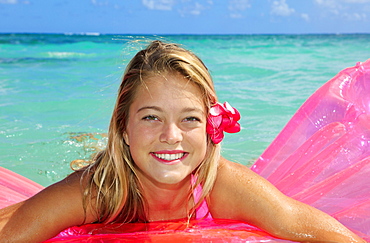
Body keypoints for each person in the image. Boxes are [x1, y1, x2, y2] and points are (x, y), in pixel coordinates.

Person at [0, 40, 365, 242]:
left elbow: (315, 229)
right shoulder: (96, 192)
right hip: (118, 172)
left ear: (210, 126)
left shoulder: (223, 186)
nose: (171, 135)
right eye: (150, 117)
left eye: (189, 119)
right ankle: (89, 143)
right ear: (123, 127)